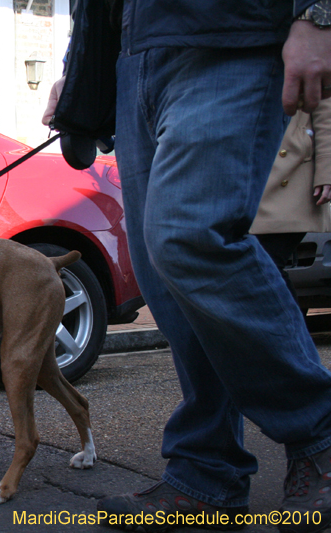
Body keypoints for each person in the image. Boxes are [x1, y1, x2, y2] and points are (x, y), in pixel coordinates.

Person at [95, 2, 331, 532]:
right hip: (133, 52)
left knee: (187, 235)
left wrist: (318, 15)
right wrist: (80, 67)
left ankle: (321, 431)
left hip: (234, 33)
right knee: (161, 272)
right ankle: (205, 473)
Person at [251, 99, 331, 306]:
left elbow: (326, 112)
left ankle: (291, 337)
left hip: (293, 173)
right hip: (246, 172)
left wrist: (326, 171)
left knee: (265, 266)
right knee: (256, 268)